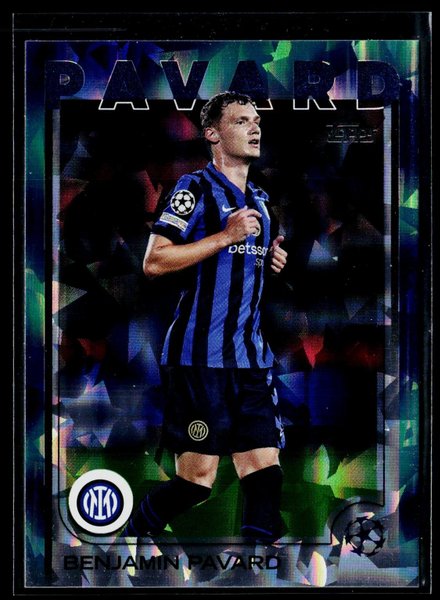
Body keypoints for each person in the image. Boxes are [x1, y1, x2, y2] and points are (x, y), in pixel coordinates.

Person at [123, 91, 288, 545]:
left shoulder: (261, 201)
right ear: (213, 134)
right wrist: (224, 236)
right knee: (196, 482)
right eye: (241, 121)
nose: (254, 128)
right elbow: (155, 261)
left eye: (256, 120)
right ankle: (132, 533)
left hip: (250, 359)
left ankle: (253, 566)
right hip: (199, 360)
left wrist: (271, 259)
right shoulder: (192, 190)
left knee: (265, 472)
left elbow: (245, 266)